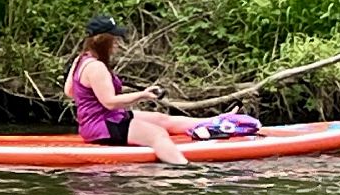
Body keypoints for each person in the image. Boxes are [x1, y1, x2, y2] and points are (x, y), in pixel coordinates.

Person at [63, 15, 229, 166]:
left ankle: (216, 121)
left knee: (160, 119)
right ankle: (186, 171)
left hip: (101, 121)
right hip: (103, 127)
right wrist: (143, 95)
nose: (117, 43)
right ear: (102, 41)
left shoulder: (81, 59)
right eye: (114, 39)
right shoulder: (96, 67)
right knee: (158, 134)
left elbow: (69, 91)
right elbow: (109, 102)